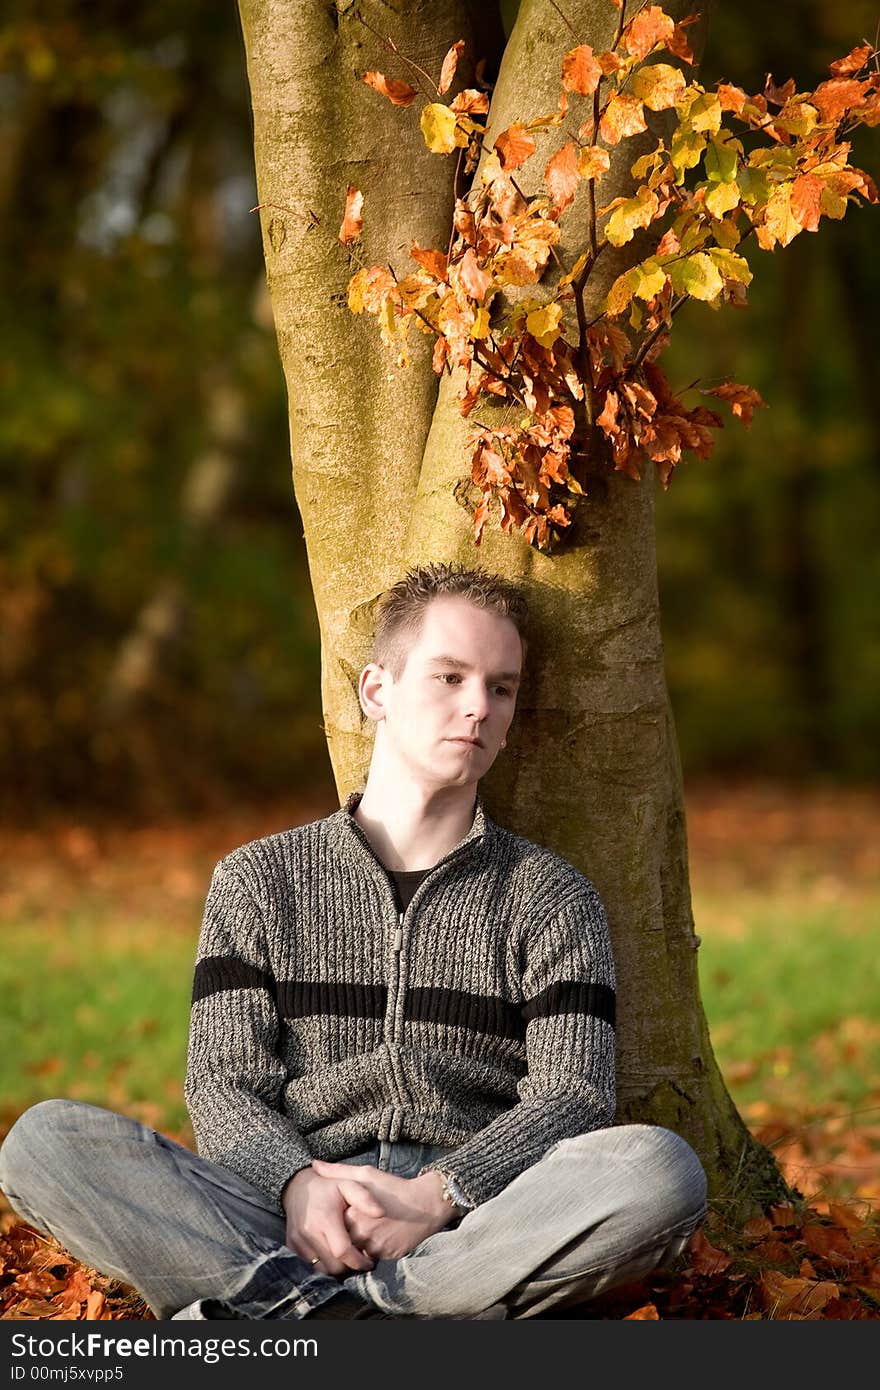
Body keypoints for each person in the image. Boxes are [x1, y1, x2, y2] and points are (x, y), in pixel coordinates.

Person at [0, 562, 707, 1321]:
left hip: (472, 1223)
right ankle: (368, 1317)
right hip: (284, 1212)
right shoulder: (259, 879)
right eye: (449, 677)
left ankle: (309, 1316)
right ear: (377, 691)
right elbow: (223, 1085)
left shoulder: (550, 896)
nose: (478, 707)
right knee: (43, 1143)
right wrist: (297, 1184)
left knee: (660, 1171)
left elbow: (573, 1096)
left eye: (500, 688)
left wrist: (438, 1195)